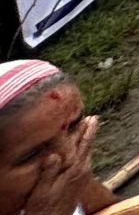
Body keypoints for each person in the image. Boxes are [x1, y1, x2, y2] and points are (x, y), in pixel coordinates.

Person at [0, 62, 115, 215]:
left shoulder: (66, 181)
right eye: (33, 154)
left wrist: (84, 187)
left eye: (74, 126)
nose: (71, 158)